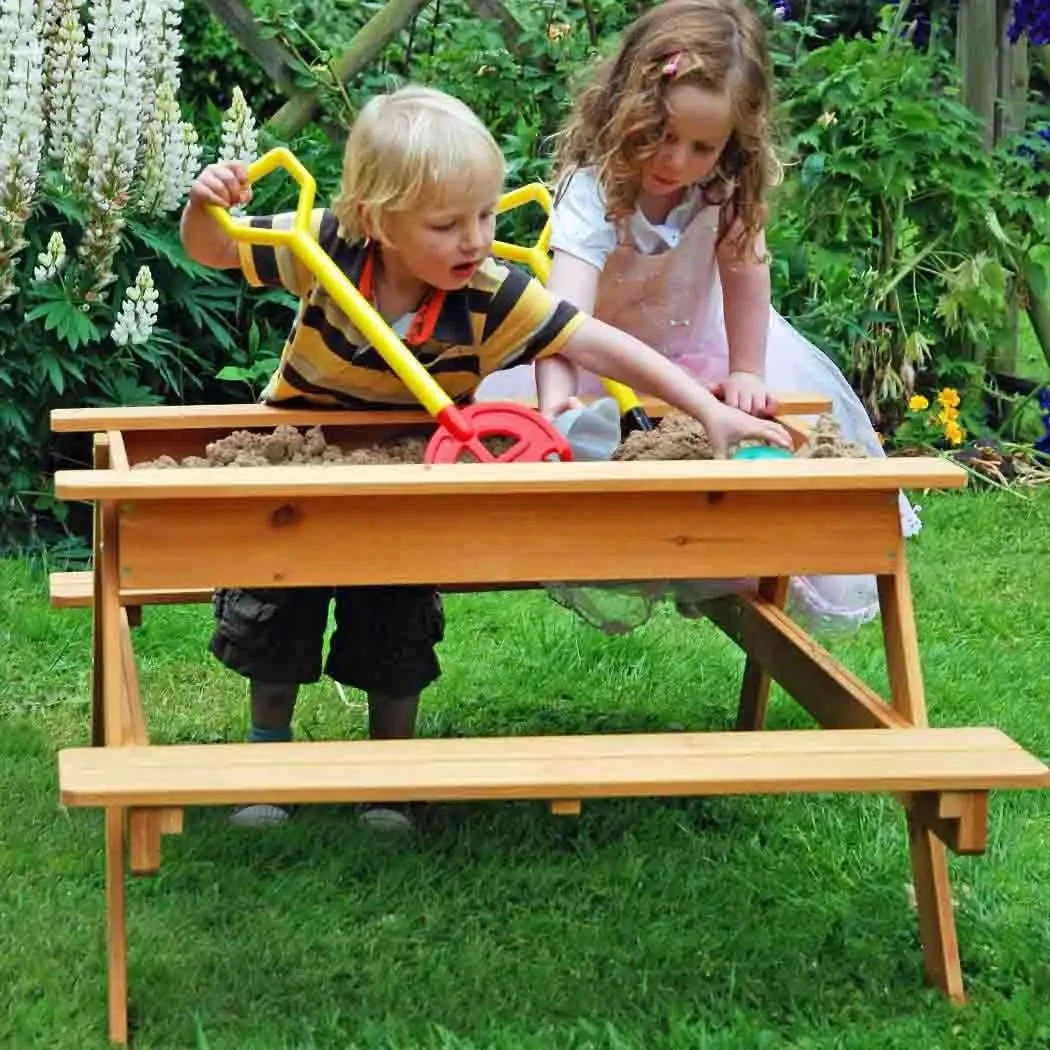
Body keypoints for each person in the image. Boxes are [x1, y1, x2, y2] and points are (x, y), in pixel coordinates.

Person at [181, 84, 790, 830]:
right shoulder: (330, 245)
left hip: (413, 471)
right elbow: (215, 249)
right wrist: (207, 205)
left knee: (395, 618)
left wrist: (707, 409)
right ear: (377, 219)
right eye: (447, 224)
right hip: (304, 456)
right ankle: (268, 764)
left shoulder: (491, 293)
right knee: (278, 608)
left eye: (485, 215)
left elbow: (596, 343)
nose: (475, 240)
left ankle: (388, 779)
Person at [476, 0, 921, 630]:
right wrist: (557, 399)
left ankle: (728, 562)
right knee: (594, 476)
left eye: (701, 146)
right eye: (660, 135)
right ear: (626, 110)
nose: (676, 161)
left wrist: (746, 367)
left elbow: (745, 276)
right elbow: (564, 313)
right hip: (601, 358)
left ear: (733, 143)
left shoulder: (727, 188)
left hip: (701, 352)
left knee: (759, 452)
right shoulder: (595, 187)